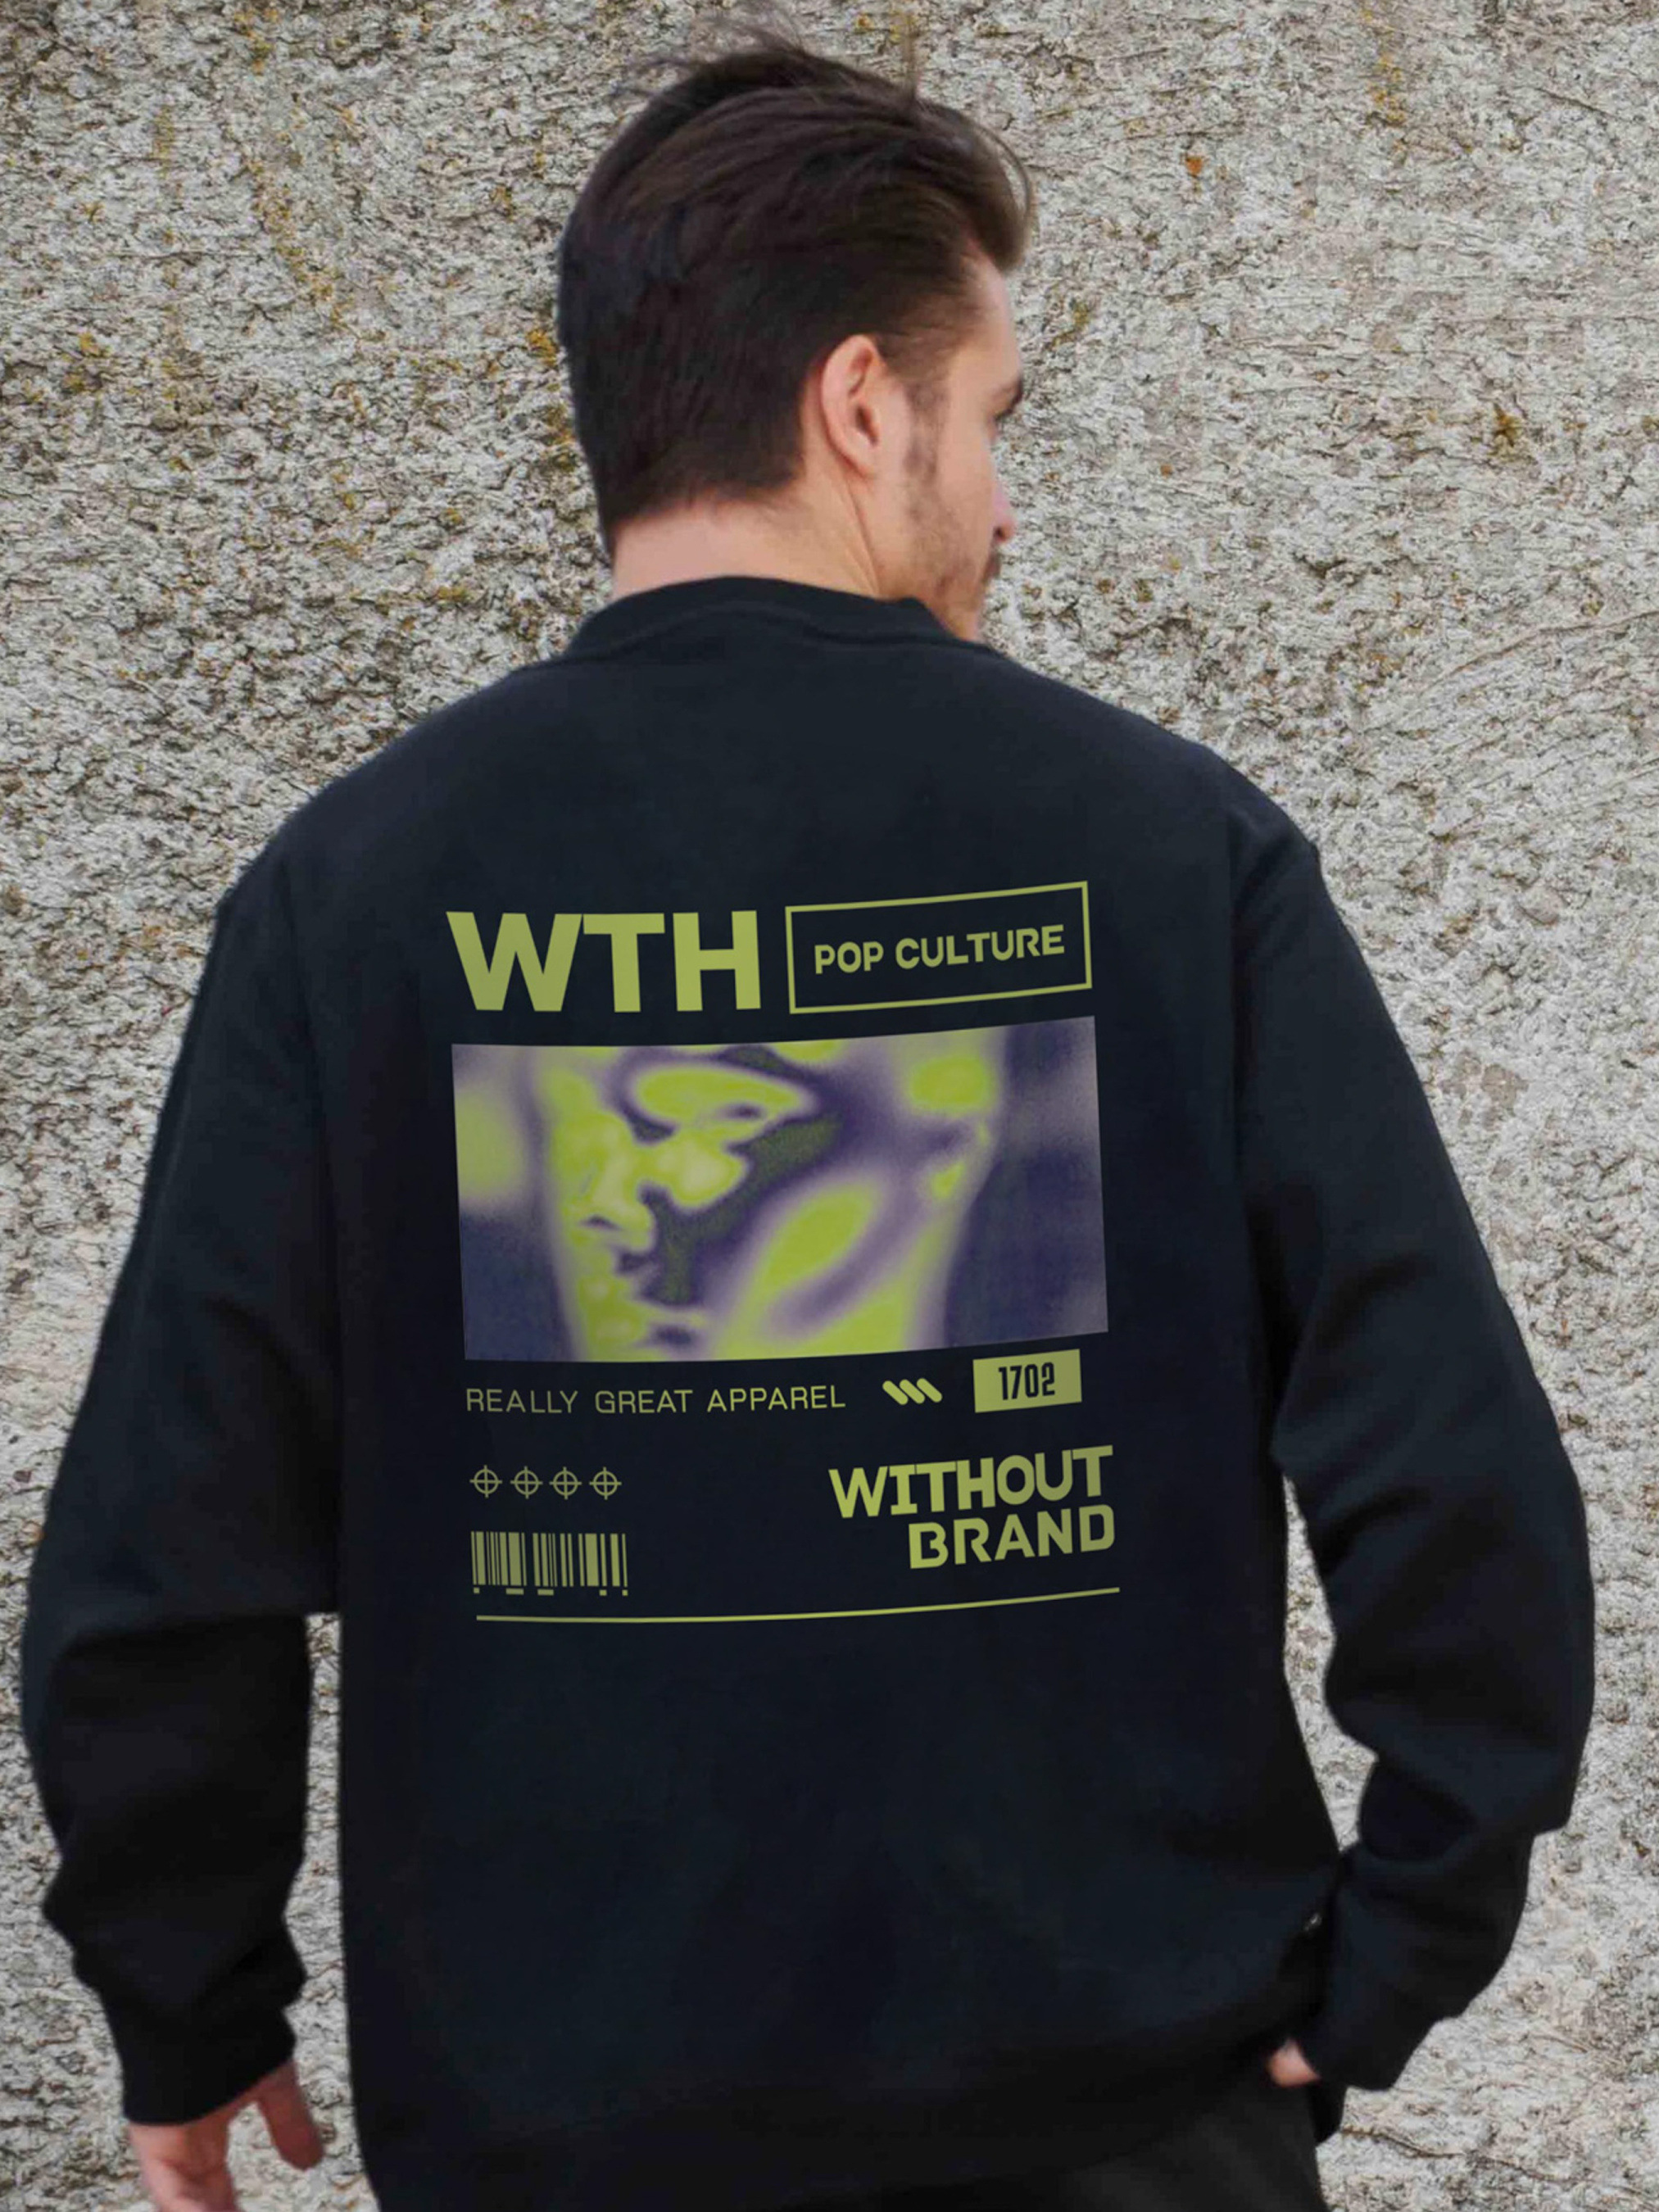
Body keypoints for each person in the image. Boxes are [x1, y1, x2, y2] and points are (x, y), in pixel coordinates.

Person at [20, 17, 1596, 2212]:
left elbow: (160, 1547)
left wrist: (189, 1992)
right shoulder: (1170, 857)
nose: (1004, 500)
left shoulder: (355, 893)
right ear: (865, 404)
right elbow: (1454, 1478)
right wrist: (1403, 1944)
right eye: (993, 417)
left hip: (565, 2131)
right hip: (1122, 2126)